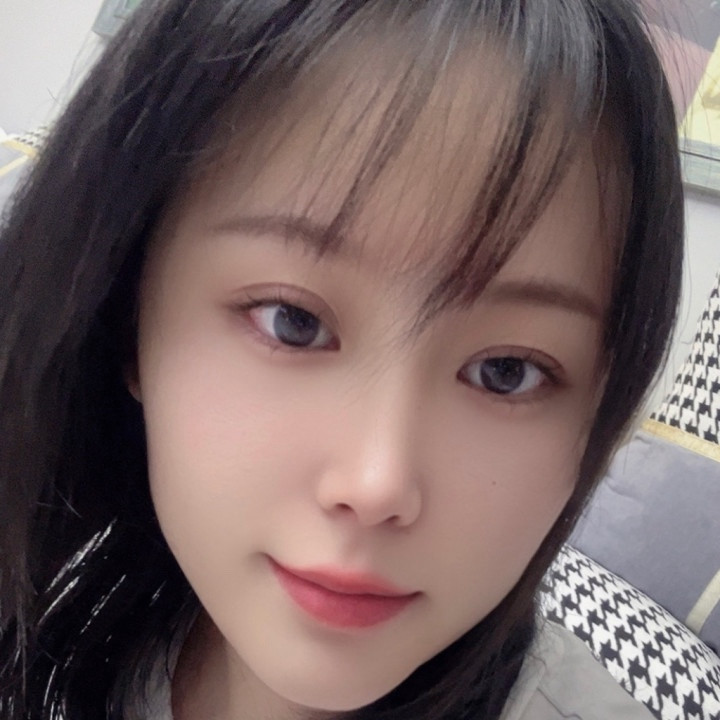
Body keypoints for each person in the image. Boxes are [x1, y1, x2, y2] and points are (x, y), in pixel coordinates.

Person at [0, 1, 684, 719]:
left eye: (506, 371)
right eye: (292, 323)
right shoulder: (53, 613)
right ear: (125, 311)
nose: (376, 482)